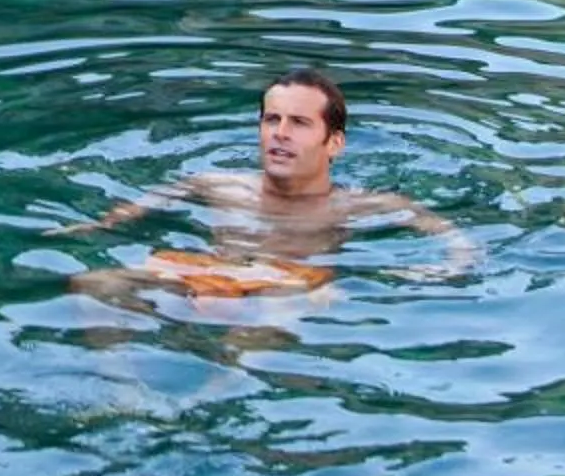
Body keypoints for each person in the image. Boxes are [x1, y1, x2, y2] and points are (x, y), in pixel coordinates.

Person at [59, 67, 478, 308]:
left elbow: (457, 243)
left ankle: (203, 409)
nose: (280, 133)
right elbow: (128, 214)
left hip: (288, 285)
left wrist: (433, 271)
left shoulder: (362, 205)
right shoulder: (216, 184)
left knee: (267, 322)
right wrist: (85, 229)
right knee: (95, 283)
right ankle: (124, 392)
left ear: (334, 142)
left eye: (298, 123)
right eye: (271, 120)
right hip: (212, 271)